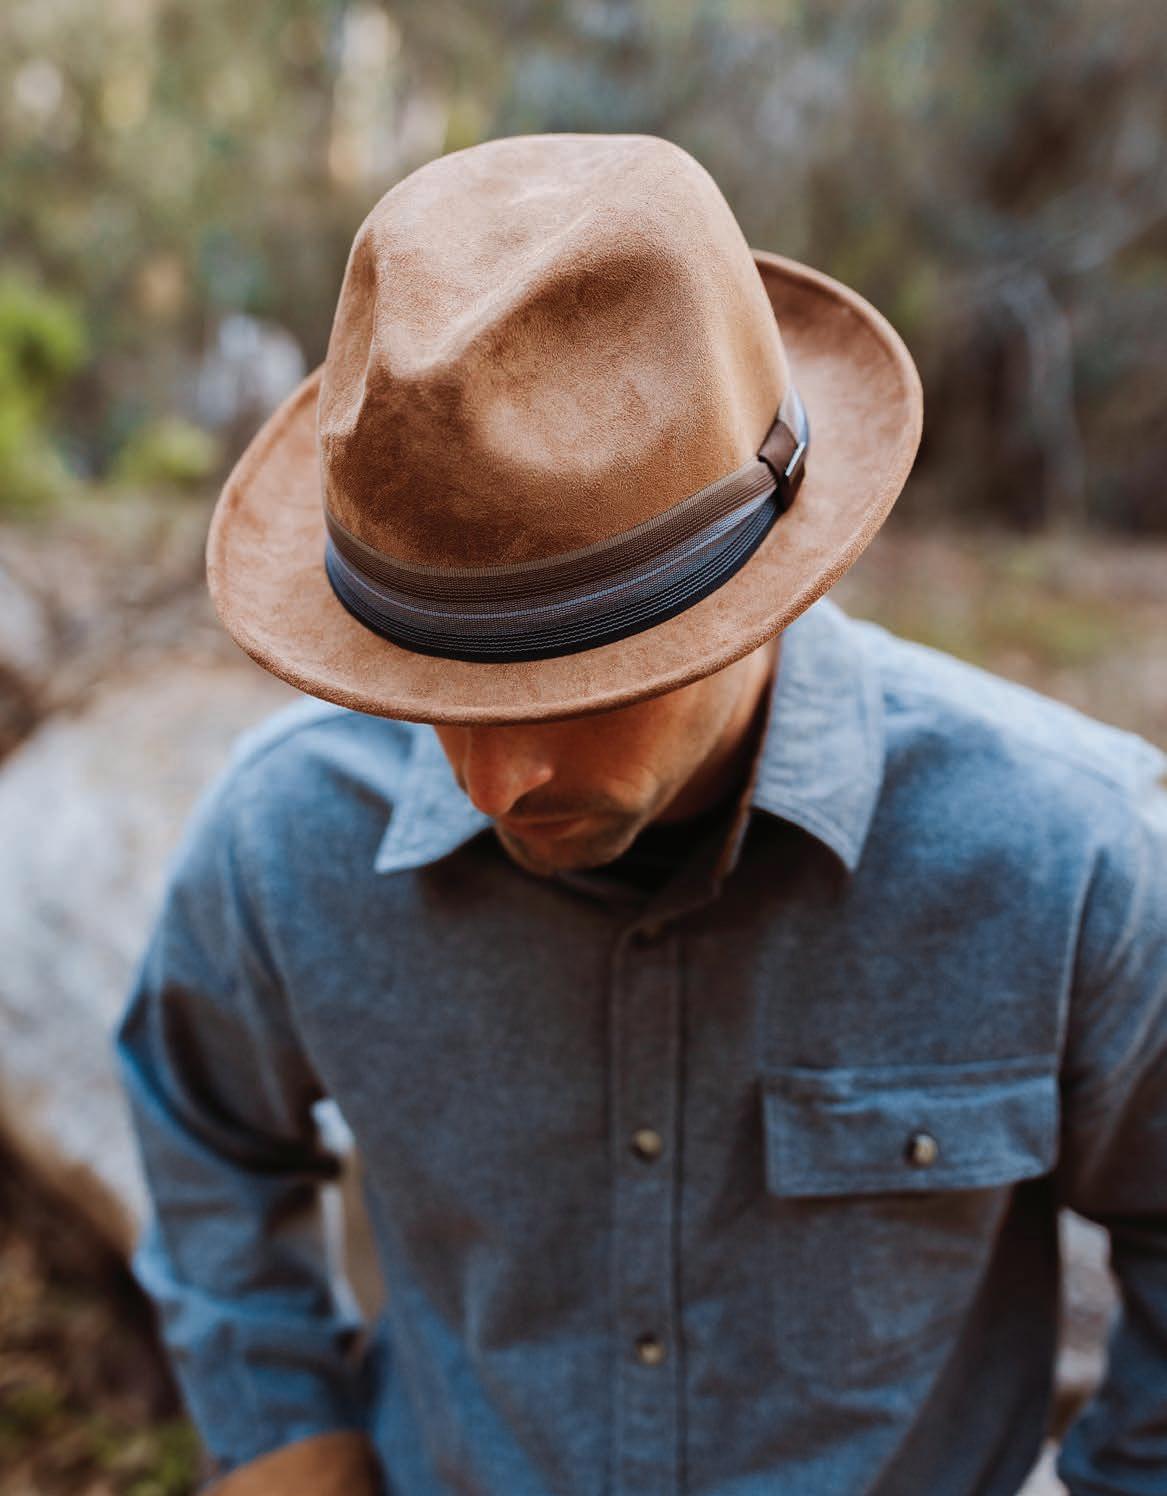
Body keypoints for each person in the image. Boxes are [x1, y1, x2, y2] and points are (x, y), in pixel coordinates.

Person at [116, 134, 1167, 1496]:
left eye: (575, 690)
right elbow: (199, 1122)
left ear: (756, 593)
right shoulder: (286, 841)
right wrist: (285, 1442)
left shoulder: (1070, 857)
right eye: (432, 690)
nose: (492, 785)